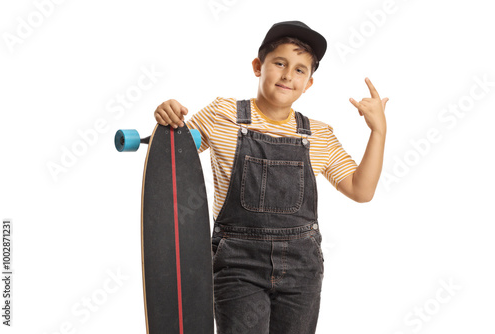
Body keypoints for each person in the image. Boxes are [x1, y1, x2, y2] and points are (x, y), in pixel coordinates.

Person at [154, 20, 388, 334]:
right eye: (279, 63)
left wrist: (378, 131)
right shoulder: (222, 114)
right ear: (257, 66)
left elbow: (361, 190)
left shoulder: (319, 135)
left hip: (302, 266)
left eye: (300, 70)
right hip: (238, 263)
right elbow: (174, 149)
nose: (288, 74)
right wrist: (169, 118)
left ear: (309, 83)